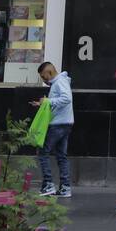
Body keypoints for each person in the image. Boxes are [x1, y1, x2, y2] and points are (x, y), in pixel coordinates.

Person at [33, 61, 73, 198]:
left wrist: (48, 102)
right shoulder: (60, 82)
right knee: (62, 156)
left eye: (44, 77)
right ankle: (65, 187)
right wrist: (42, 104)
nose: (44, 80)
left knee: (43, 151)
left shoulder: (59, 82)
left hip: (58, 124)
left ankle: (48, 184)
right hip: (66, 123)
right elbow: (60, 101)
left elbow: (67, 98)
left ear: (49, 73)